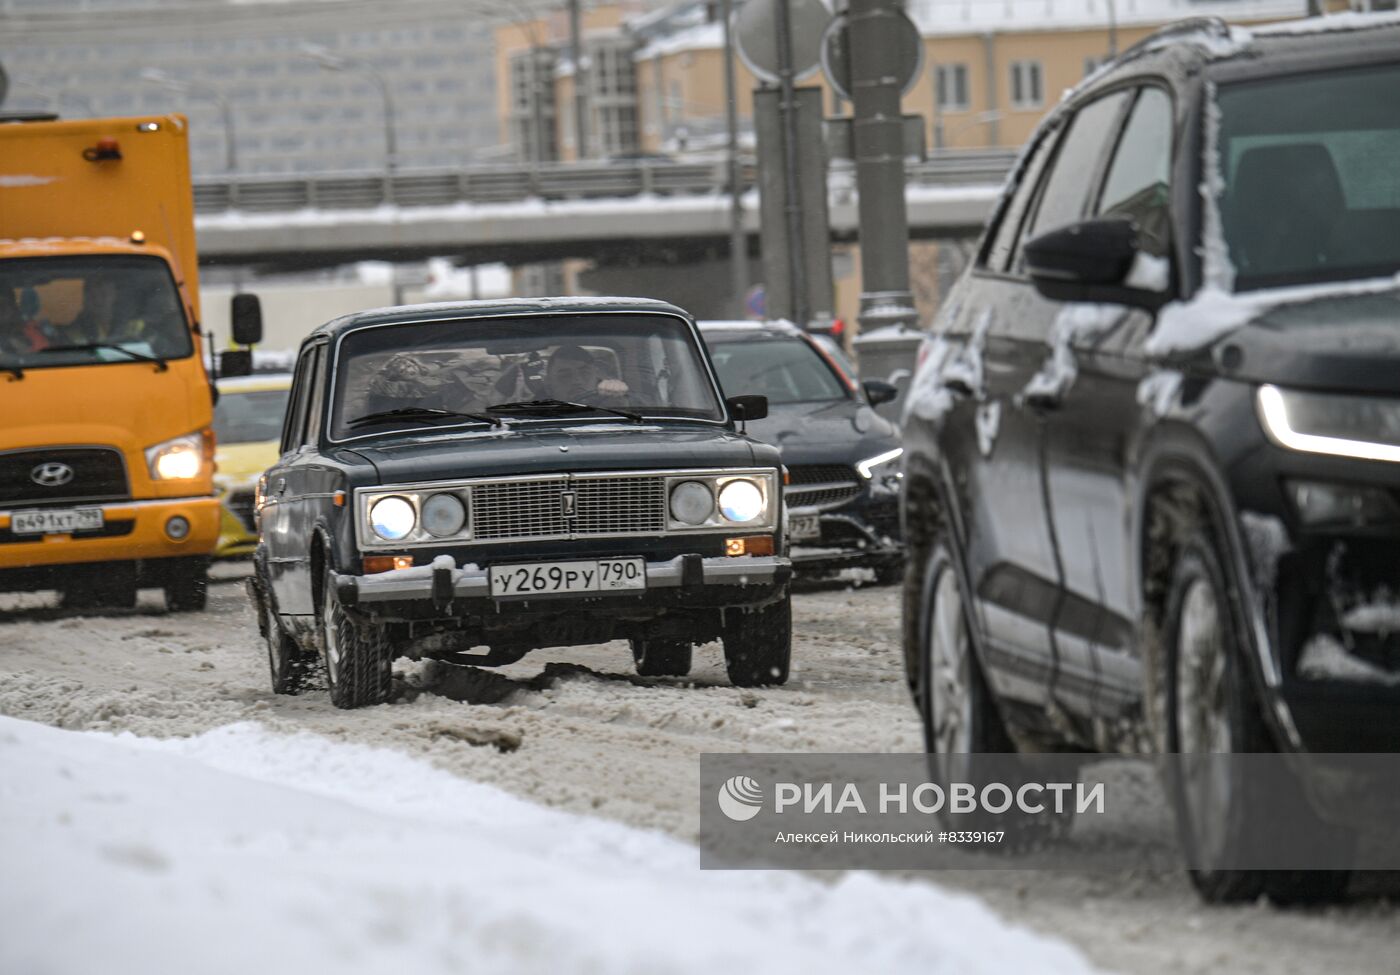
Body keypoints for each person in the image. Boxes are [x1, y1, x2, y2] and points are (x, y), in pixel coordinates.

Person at [544, 344, 630, 406]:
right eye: (565, 375)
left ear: (596, 378)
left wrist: (618, 398)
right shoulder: (534, 413)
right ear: (549, 385)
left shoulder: (611, 403)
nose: (577, 381)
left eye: (585, 373)